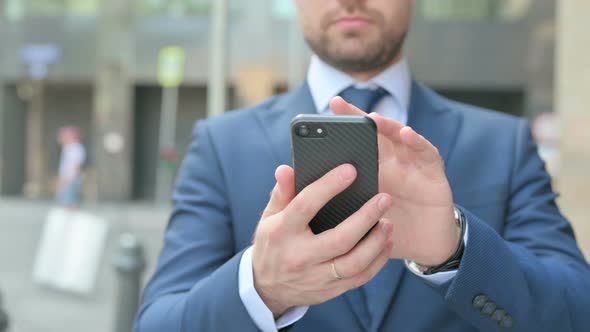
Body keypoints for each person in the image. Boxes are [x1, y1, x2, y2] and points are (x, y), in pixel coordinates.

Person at [134, 1, 590, 331]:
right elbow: (156, 323)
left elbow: (578, 310)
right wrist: (261, 288)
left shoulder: (503, 143)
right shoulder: (221, 144)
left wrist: (458, 251)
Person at [56, 126, 85, 208]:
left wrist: (67, 180)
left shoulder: (75, 148)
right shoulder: (68, 148)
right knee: (66, 201)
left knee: (70, 202)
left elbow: (76, 165)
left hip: (71, 179)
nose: (60, 139)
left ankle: (72, 218)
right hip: (68, 178)